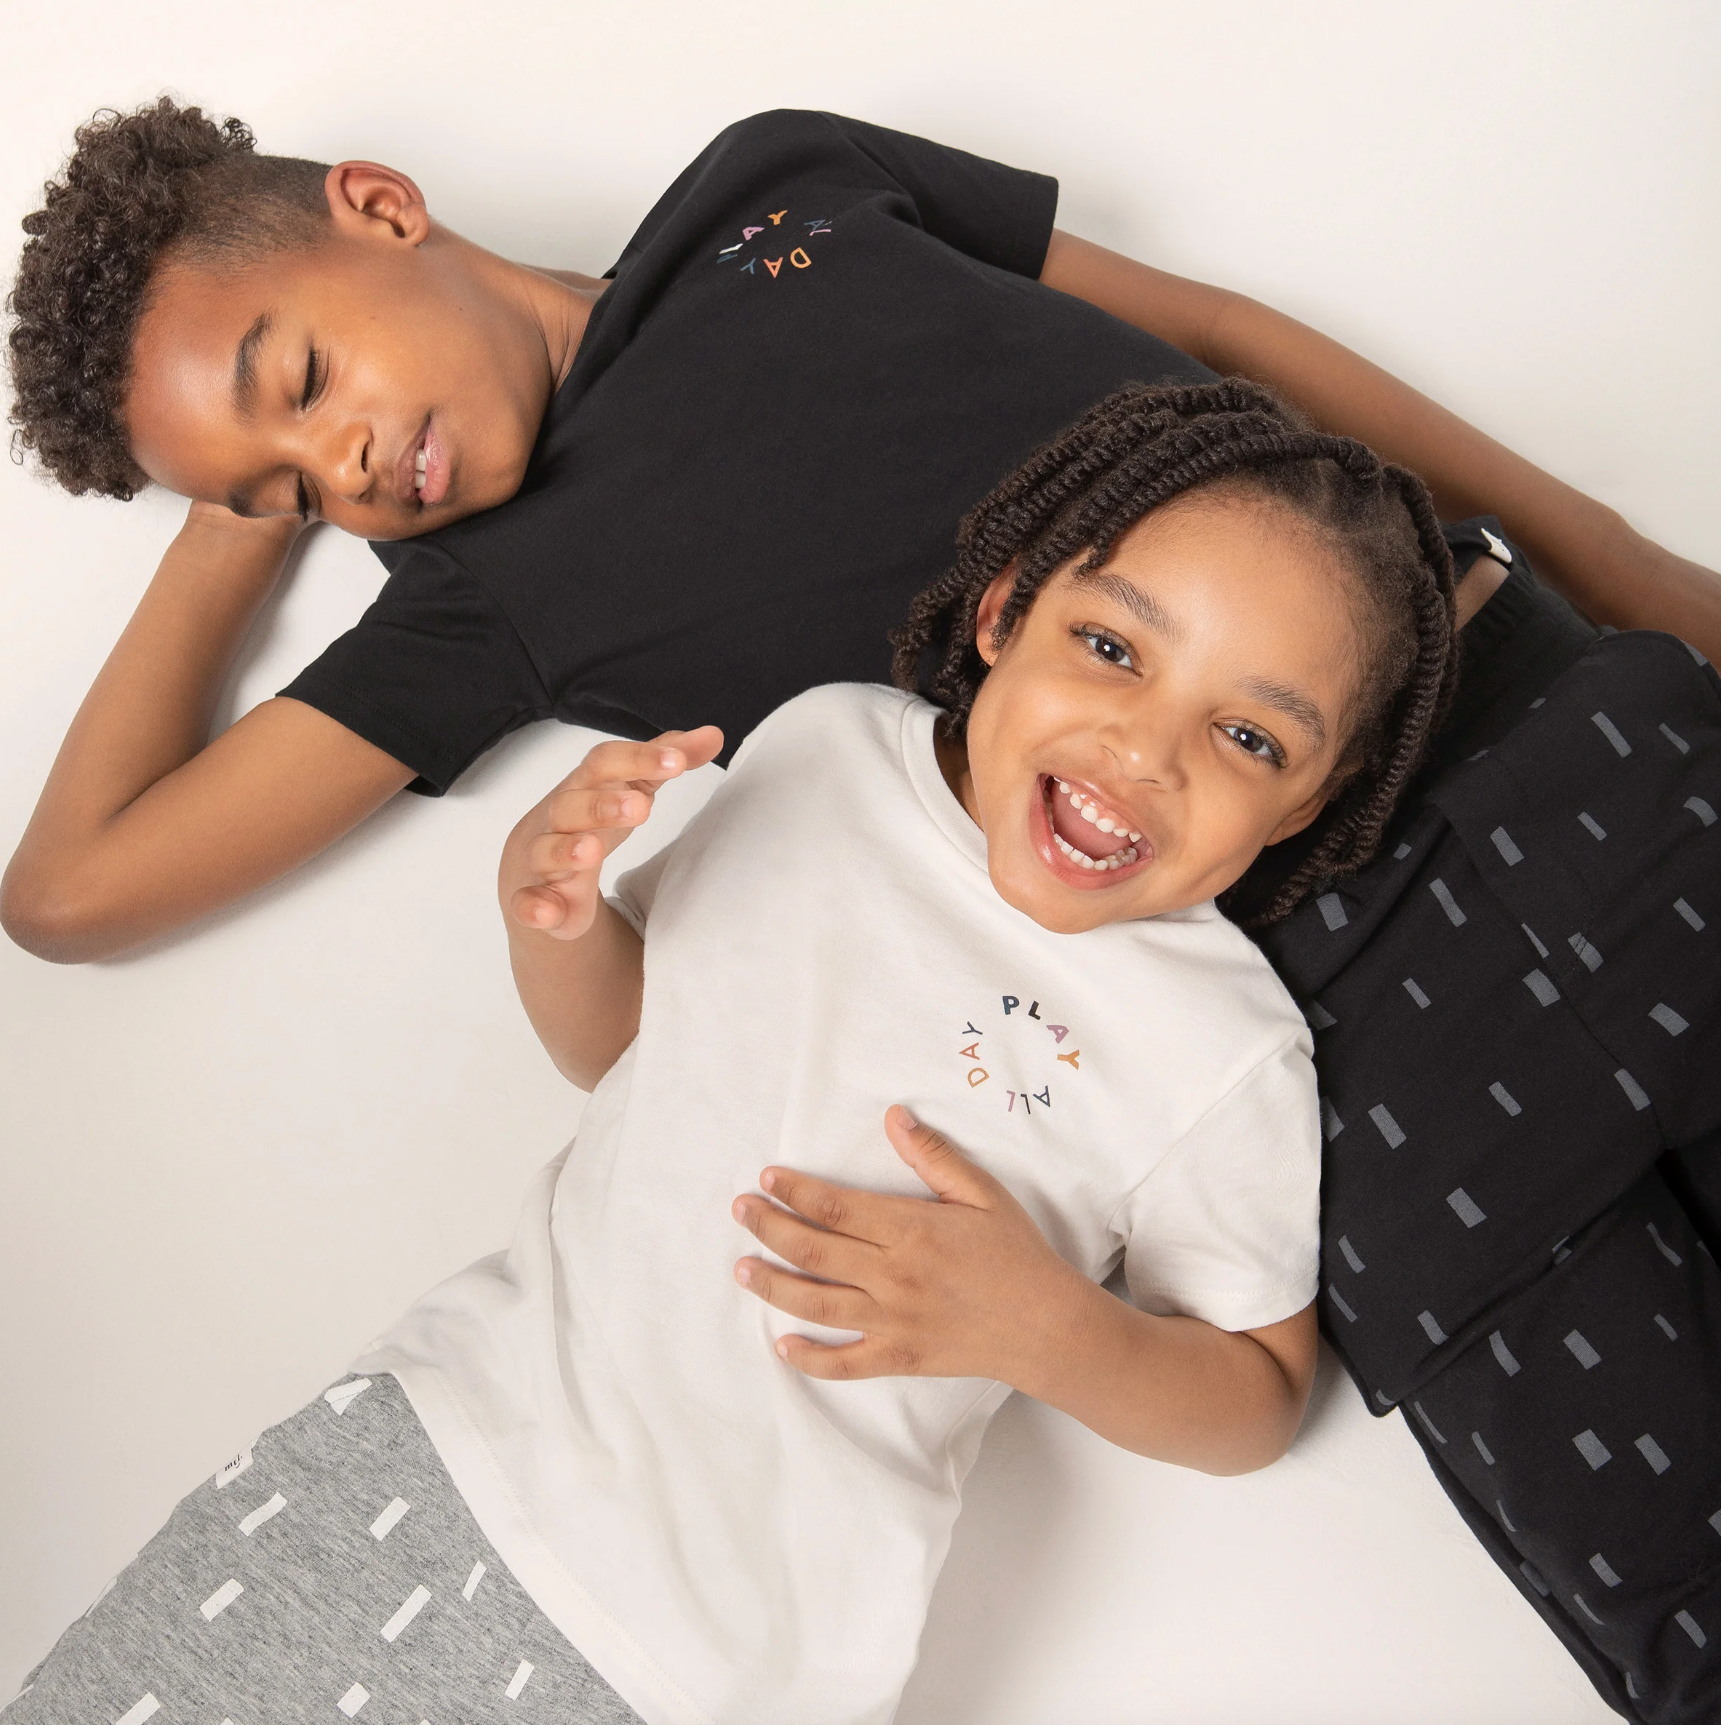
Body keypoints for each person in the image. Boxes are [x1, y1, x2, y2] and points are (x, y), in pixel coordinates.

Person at [7, 380, 1460, 1725]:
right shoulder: (831, 751)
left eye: (1251, 740)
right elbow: (629, 1049)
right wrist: (553, 918)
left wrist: (1047, 1328)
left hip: (705, 1661)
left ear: (1308, 806)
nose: (1147, 750)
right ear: (1006, 609)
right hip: (429, 1442)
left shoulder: (1220, 1044)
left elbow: (1256, 1400)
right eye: (1112, 648)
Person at [3, 101, 1716, 964]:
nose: (349, 467)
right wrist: (229, 526)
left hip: (1501, 658)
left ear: (379, 207)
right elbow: (67, 896)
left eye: (304, 380)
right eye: (297, 489)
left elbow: (1222, 336)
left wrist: (1615, 558)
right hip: (1300, 940)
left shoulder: (779, 181)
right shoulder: (474, 609)